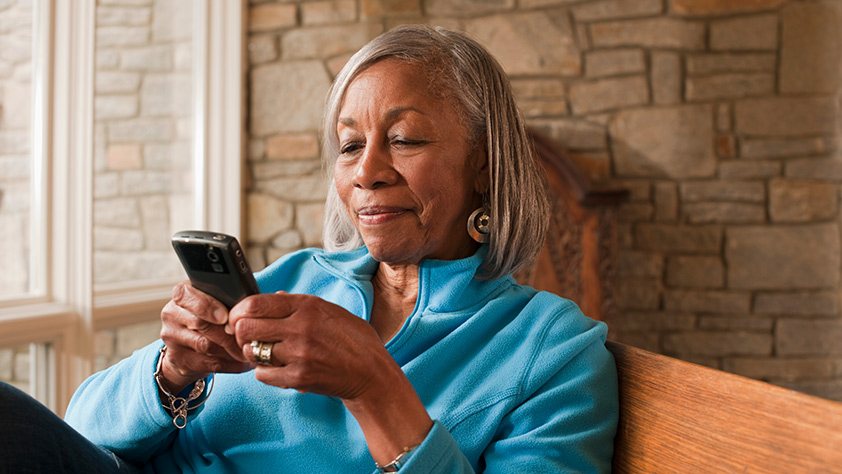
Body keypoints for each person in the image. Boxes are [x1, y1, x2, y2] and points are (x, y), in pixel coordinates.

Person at [0, 24, 618, 473]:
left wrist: (376, 389)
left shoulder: (555, 352)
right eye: (350, 146)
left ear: (484, 164)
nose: (367, 171)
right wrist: (173, 373)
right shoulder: (296, 275)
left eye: (403, 139)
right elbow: (79, 427)